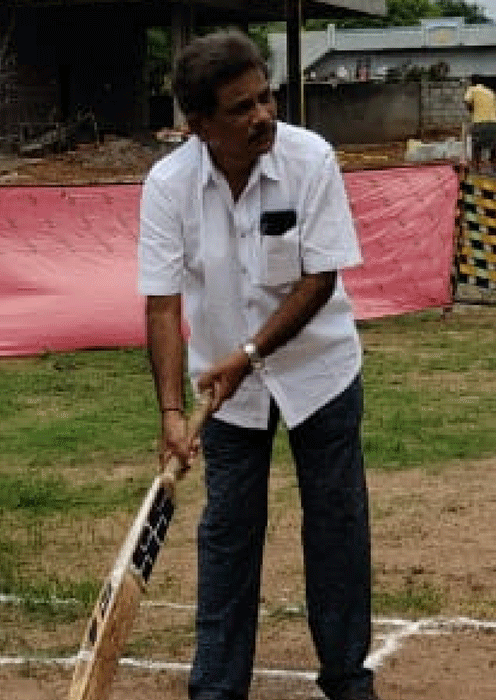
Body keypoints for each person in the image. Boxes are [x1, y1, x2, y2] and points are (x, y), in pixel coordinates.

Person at [137, 31, 382, 700]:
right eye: (240, 108)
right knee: (227, 531)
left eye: (265, 98)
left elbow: (319, 280)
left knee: (335, 524)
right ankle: (216, 688)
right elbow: (161, 308)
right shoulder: (168, 186)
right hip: (225, 392)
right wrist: (169, 412)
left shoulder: (311, 159)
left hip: (319, 371)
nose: (262, 116)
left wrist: (247, 356)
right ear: (200, 126)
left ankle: (346, 678)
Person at [464, 75, 496, 172]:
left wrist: (471, 110)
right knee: (493, 150)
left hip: (479, 122)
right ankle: (495, 171)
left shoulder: (472, 89)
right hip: (493, 123)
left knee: (476, 148)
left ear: (472, 82)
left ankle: (476, 170)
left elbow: (467, 101)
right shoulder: (490, 92)